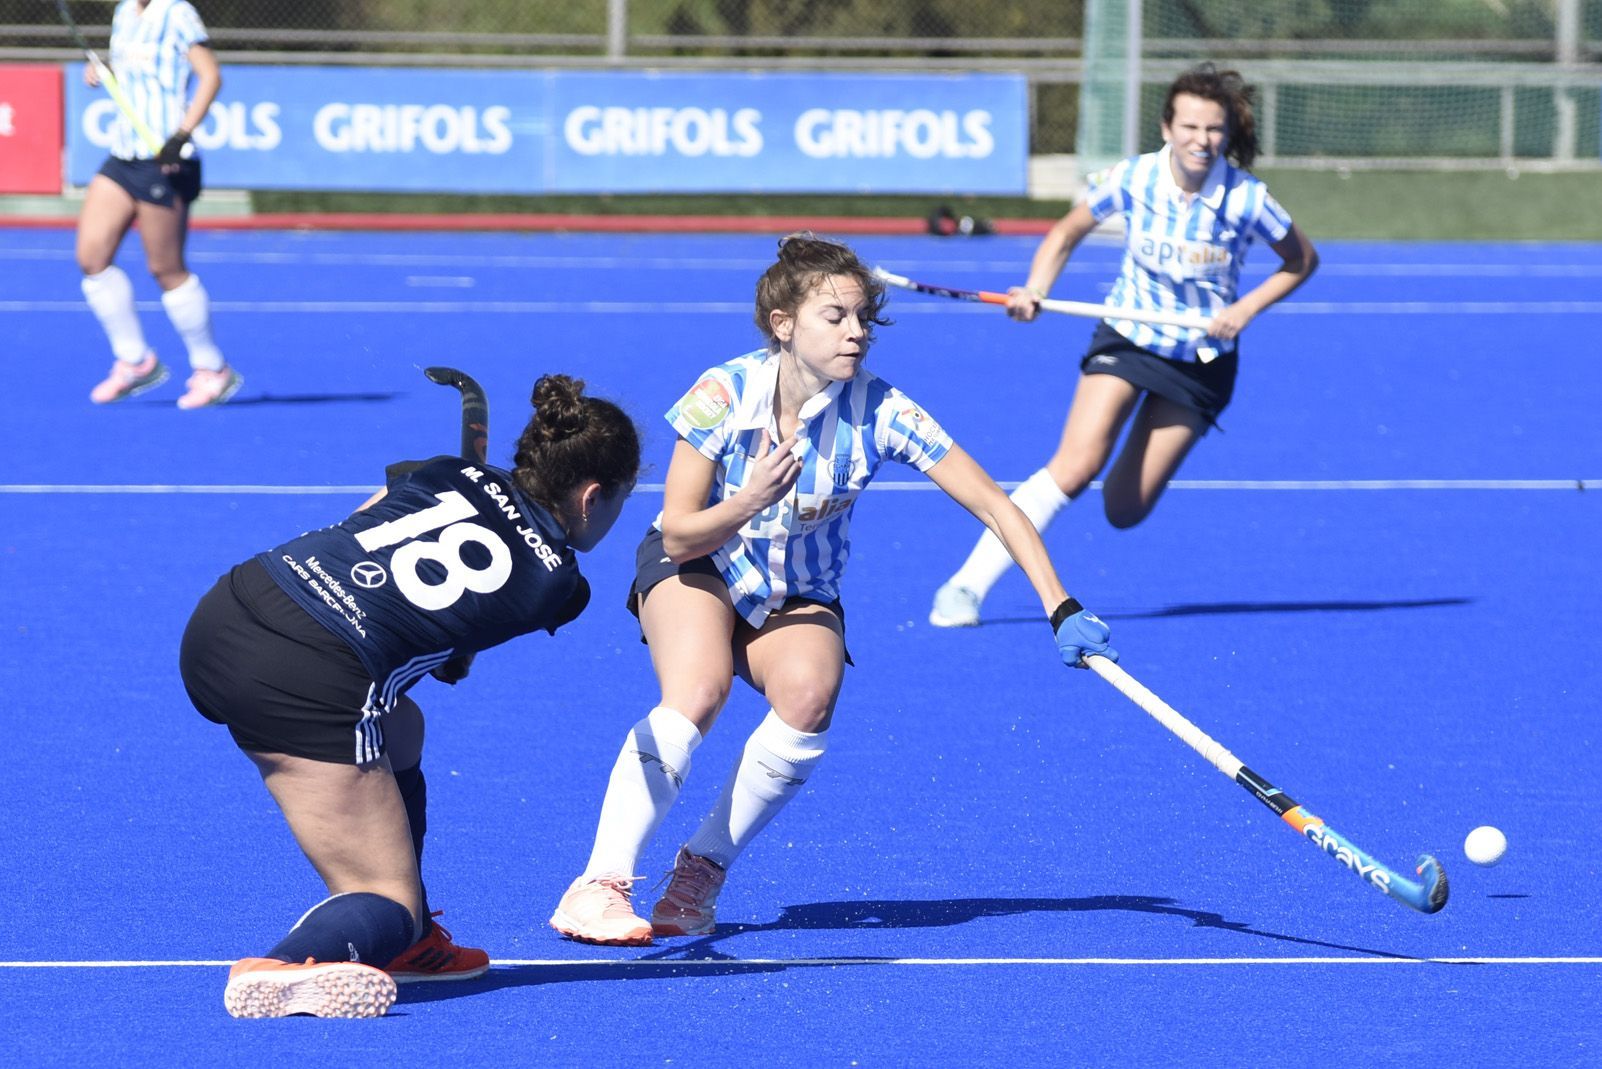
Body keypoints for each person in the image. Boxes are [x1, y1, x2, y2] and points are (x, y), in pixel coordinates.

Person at [548, 234, 1116, 947]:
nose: (856, 333)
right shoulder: (721, 393)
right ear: (783, 323)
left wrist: (1058, 603)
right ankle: (598, 884)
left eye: (863, 319)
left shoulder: (884, 410)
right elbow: (683, 533)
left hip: (796, 588)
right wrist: (747, 500)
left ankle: (700, 871)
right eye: (835, 317)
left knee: (810, 697)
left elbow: (1000, 507)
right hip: (699, 561)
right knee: (699, 690)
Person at [180, 375, 640, 1017]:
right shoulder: (561, 585)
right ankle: (287, 964)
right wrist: (454, 654)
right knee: (382, 897)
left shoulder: (441, 470)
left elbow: (364, 528)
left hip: (233, 606)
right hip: (306, 679)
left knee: (402, 725)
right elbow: (469, 607)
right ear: (592, 497)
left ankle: (415, 941)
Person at [929, 63, 1319, 628]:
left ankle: (1135, 454)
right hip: (1129, 336)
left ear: (1227, 133)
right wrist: (1036, 289)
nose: (1200, 141)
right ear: (1166, 127)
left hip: (1201, 361)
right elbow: (1066, 232)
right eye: (1189, 127)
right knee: (1076, 463)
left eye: (1213, 129)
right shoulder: (1134, 178)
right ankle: (966, 586)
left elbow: (1301, 261)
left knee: (1124, 509)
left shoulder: (1247, 198)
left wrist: (1245, 309)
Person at [76, 0, 241, 409]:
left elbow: (210, 76)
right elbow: (135, 75)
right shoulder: (123, 12)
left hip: (164, 159)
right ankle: (135, 361)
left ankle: (212, 369)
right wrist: (103, 74)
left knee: (165, 269)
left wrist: (181, 135)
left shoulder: (176, 12)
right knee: (91, 258)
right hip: (123, 155)